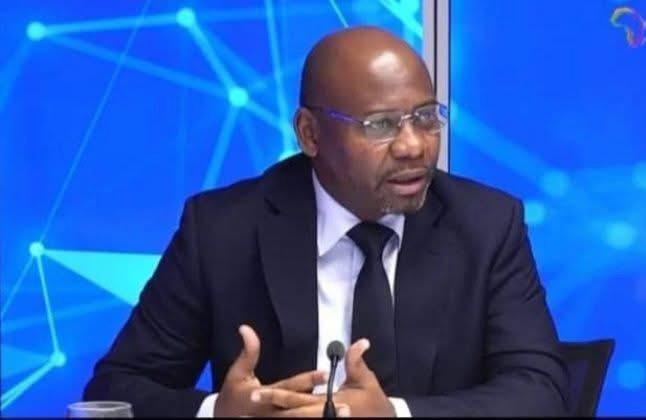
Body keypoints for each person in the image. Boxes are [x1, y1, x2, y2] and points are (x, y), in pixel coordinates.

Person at [84, 26, 568, 417]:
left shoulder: (487, 225)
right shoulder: (221, 230)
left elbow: (541, 392)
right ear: (310, 134)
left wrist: (395, 415)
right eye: (381, 125)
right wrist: (219, 412)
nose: (413, 145)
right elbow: (115, 390)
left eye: (425, 117)